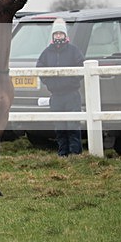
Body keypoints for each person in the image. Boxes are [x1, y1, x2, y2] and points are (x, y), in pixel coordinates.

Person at [36, 18, 85, 156]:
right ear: (53, 36)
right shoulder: (46, 53)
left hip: (71, 95)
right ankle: (62, 153)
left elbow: (81, 68)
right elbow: (40, 70)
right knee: (59, 126)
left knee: (73, 125)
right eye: (56, 34)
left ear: (65, 35)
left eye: (61, 34)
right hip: (56, 96)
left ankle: (75, 153)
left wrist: (69, 82)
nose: (58, 36)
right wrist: (51, 84)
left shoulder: (74, 51)